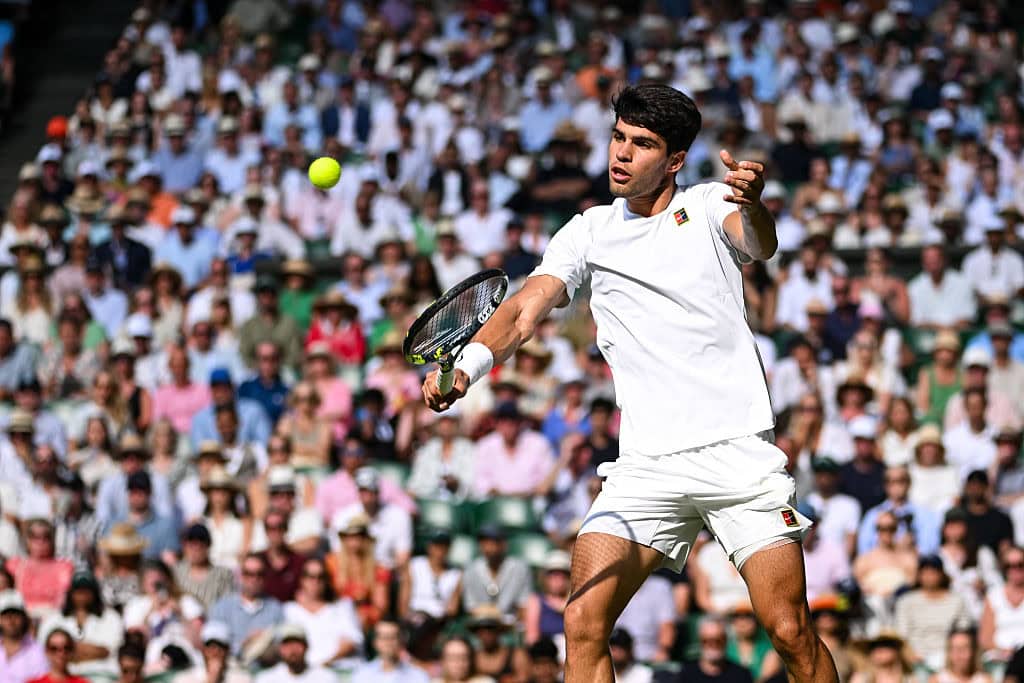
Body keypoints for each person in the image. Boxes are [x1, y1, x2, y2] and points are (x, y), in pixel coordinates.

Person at [422, 83, 834, 683]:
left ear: (674, 161)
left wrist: (753, 204)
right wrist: (468, 367)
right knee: (583, 619)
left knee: (790, 631)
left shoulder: (712, 203)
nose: (621, 153)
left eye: (641, 144)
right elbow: (525, 310)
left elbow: (759, 244)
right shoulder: (587, 231)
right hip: (646, 466)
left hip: (736, 455)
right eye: (618, 138)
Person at [38, 571, 123, 680]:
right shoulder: (53, 619)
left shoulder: (111, 617)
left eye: (87, 591)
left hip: (100, 676)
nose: (82, 595)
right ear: (70, 593)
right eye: (78, 591)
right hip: (64, 677)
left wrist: (70, 650)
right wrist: (88, 650)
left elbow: (107, 651)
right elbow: (47, 651)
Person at [893, 555, 970, 670]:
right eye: (925, 573)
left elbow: (963, 632)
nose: (929, 577)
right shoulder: (906, 602)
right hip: (917, 659)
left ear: (941, 575)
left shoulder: (956, 601)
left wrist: (953, 656)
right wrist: (910, 656)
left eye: (933, 572)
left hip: (948, 658)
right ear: (919, 575)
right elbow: (901, 635)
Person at [209, 554, 284, 657]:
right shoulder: (222, 607)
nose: (254, 579)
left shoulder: (275, 608)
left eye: (259, 574)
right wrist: (243, 644)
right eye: (248, 574)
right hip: (232, 667)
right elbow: (214, 646)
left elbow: (282, 644)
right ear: (239, 575)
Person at [656, 616, 753, 683]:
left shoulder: (741, 675)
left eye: (717, 639)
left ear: (726, 640)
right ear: (699, 640)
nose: (712, 645)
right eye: (706, 640)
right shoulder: (686, 674)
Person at [398, 530, 462, 621]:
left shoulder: (456, 574)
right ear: (429, 547)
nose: (440, 551)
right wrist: (406, 620)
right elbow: (403, 600)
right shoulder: (414, 565)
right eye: (437, 546)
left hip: (439, 621)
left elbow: (452, 609)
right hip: (415, 617)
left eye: (444, 547)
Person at [979, 545, 1024, 661]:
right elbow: (985, 638)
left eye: (1020, 565)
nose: (1015, 569)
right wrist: (1004, 651)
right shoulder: (994, 595)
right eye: (1009, 566)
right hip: (1000, 656)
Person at [171, 621, 252, 683]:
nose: (215, 652)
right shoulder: (185, 679)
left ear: (228, 650)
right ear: (203, 649)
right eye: (210, 646)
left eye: (221, 646)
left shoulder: (241, 679)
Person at [351, 620, 430, 683]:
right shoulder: (362, 674)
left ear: (401, 641)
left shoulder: (417, 676)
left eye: (393, 637)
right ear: (375, 642)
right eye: (383, 637)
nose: (388, 642)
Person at [254, 624, 335, 683]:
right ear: (280, 649)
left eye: (297, 644)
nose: (292, 650)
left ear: (306, 646)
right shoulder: (266, 679)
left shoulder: (325, 678)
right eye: (287, 644)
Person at [524, 550, 571, 646]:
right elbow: (531, 638)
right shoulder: (536, 601)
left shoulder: (576, 602)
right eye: (553, 574)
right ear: (544, 577)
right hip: (547, 655)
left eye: (563, 574)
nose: (558, 578)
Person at [0, 590, 47, 683]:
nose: (11, 620)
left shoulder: (39, 652)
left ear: (24, 618)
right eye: (6, 615)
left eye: (15, 614)